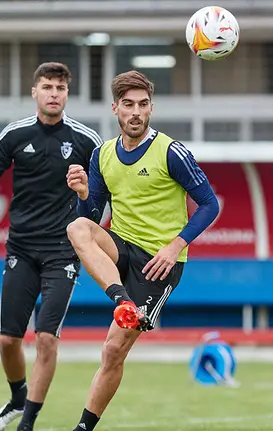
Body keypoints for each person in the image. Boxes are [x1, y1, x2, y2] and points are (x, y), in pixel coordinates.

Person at [0, 62, 102, 431]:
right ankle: (16, 398)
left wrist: (86, 191)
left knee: (45, 338)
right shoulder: (15, 134)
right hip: (21, 249)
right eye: (47, 86)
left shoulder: (86, 140)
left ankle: (27, 423)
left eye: (60, 87)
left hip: (63, 250)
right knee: (9, 340)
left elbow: (104, 198)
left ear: (67, 94)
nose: (54, 93)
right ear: (35, 92)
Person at [65, 70, 220, 431]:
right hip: (121, 249)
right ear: (116, 108)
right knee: (76, 227)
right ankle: (122, 301)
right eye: (129, 105)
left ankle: (83, 428)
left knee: (112, 351)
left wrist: (175, 246)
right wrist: (84, 193)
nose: (136, 112)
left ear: (151, 108)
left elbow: (209, 205)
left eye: (143, 105)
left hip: (157, 264)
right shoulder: (102, 154)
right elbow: (90, 218)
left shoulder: (172, 152)